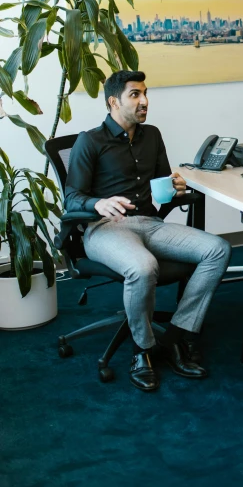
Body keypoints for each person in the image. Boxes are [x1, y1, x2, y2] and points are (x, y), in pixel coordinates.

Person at [65, 70, 231, 392]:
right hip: (106, 228)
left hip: (150, 224)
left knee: (218, 249)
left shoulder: (151, 135)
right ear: (114, 102)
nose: (144, 101)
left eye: (145, 94)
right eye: (135, 95)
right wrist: (98, 204)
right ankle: (142, 350)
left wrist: (176, 187)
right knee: (143, 267)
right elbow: (71, 197)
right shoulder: (90, 140)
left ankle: (178, 336)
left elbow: (163, 189)